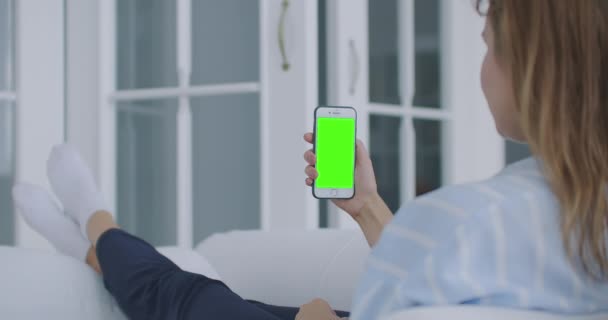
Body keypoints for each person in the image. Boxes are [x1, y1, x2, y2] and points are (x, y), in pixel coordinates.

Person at [11, 0, 608, 319]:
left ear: (528, 64)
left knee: (183, 298)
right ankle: (96, 248)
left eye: (486, 46)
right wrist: (369, 207)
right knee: (219, 300)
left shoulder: (466, 219)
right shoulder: (580, 211)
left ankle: (96, 227)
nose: (482, 70)